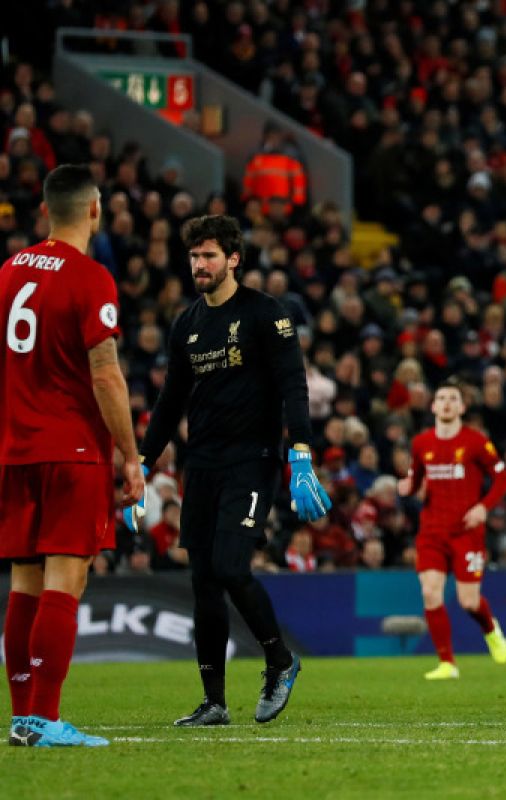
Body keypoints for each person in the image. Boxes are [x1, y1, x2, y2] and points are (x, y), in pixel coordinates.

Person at [132, 214, 331, 727]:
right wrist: (141, 463)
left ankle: (281, 661)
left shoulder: (267, 314)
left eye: (209, 255)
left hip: (252, 461)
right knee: (203, 580)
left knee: (230, 566)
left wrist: (301, 454)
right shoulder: (187, 325)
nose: (199, 264)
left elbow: (293, 386)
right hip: (202, 463)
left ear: (234, 259)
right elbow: (169, 401)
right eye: (194, 256)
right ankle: (214, 702)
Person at [1, 165, 145, 748]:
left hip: (15, 449)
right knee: (67, 577)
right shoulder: (91, 278)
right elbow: (106, 373)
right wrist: (130, 457)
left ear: (44, 212)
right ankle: (44, 719)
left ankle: (20, 716)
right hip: (72, 447)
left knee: (24, 583)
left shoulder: (9, 271)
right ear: (94, 210)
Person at [397, 379, 506, 679]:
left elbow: (502, 480)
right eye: (441, 398)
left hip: (466, 531)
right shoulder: (421, 443)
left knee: (468, 601)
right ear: (433, 406)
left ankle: (491, 629)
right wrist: (408, 487)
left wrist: (482, 508)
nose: (447, 403)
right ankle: (447, 664)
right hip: (432, 531)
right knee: (430, 593)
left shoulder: (476, 441)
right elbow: (416, 481)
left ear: (462, 407)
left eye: (453, 398)